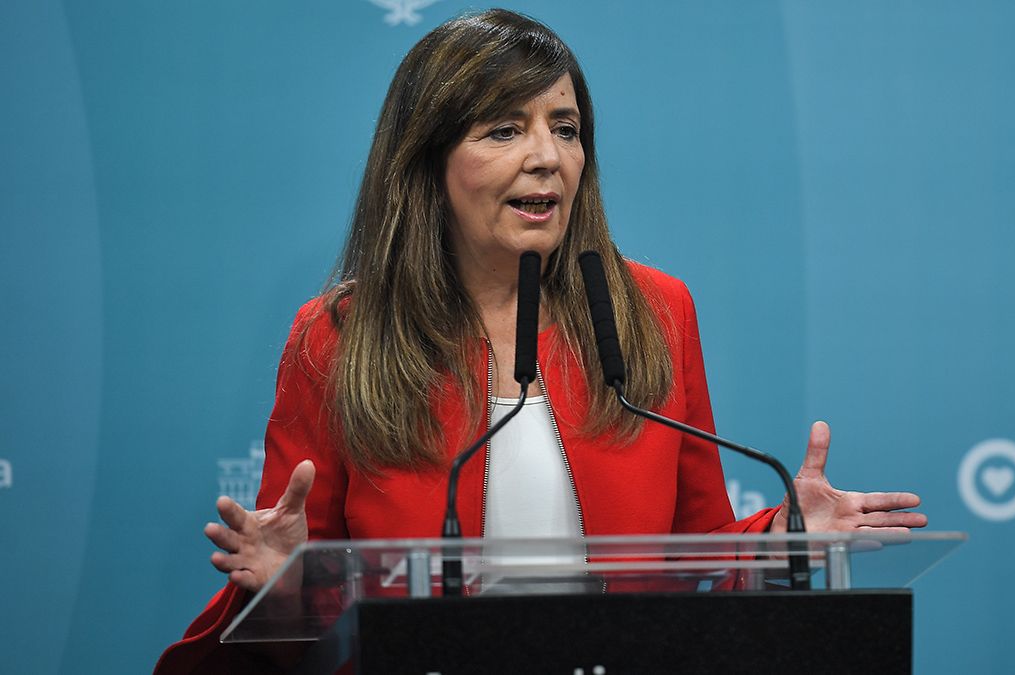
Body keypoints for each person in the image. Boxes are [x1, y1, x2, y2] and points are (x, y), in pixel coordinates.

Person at [154, 8, 927, 673]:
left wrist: (786, 536)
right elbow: (294, 608)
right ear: (428, 161)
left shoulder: (652, 312)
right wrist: (286, 582)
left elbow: (702, 553)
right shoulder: (340, 336)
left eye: (565, 128)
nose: (547, 157)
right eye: (504, 129)